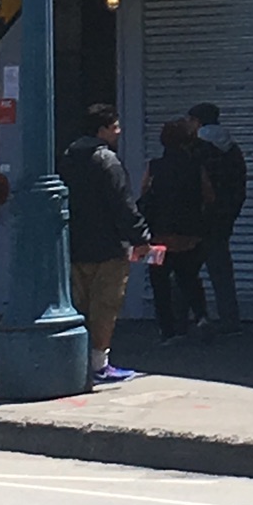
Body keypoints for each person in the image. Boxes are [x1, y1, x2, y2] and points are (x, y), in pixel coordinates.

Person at [61, 103, 150, 386]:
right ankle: (99, 365)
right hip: (108, 246)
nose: (119, 131)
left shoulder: (67, 158)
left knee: (79, 305)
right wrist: (140, 238)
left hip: (75, 244)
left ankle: (75, 361)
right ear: (102, 130)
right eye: (115, 126)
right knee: (105, 307)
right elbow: (122, 204)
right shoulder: (107, 161)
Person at [139, 120, 213, 343]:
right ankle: (200, 315)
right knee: (189, 276)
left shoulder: (154, 166)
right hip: (188, 234)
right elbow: (209, 196)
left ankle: (167, 330)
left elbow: (144, 194)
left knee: (158, 282)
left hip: (157, 235)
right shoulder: (196, 166)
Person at [188, 100, 246, 335]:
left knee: (184, 270)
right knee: (221, 270)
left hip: (197, 219)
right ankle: (230, 319)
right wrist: (231, 212)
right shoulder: (232, 149)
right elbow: (240, 186)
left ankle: (185, 320)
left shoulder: (196, 148)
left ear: (197, 122)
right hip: (223, 218)